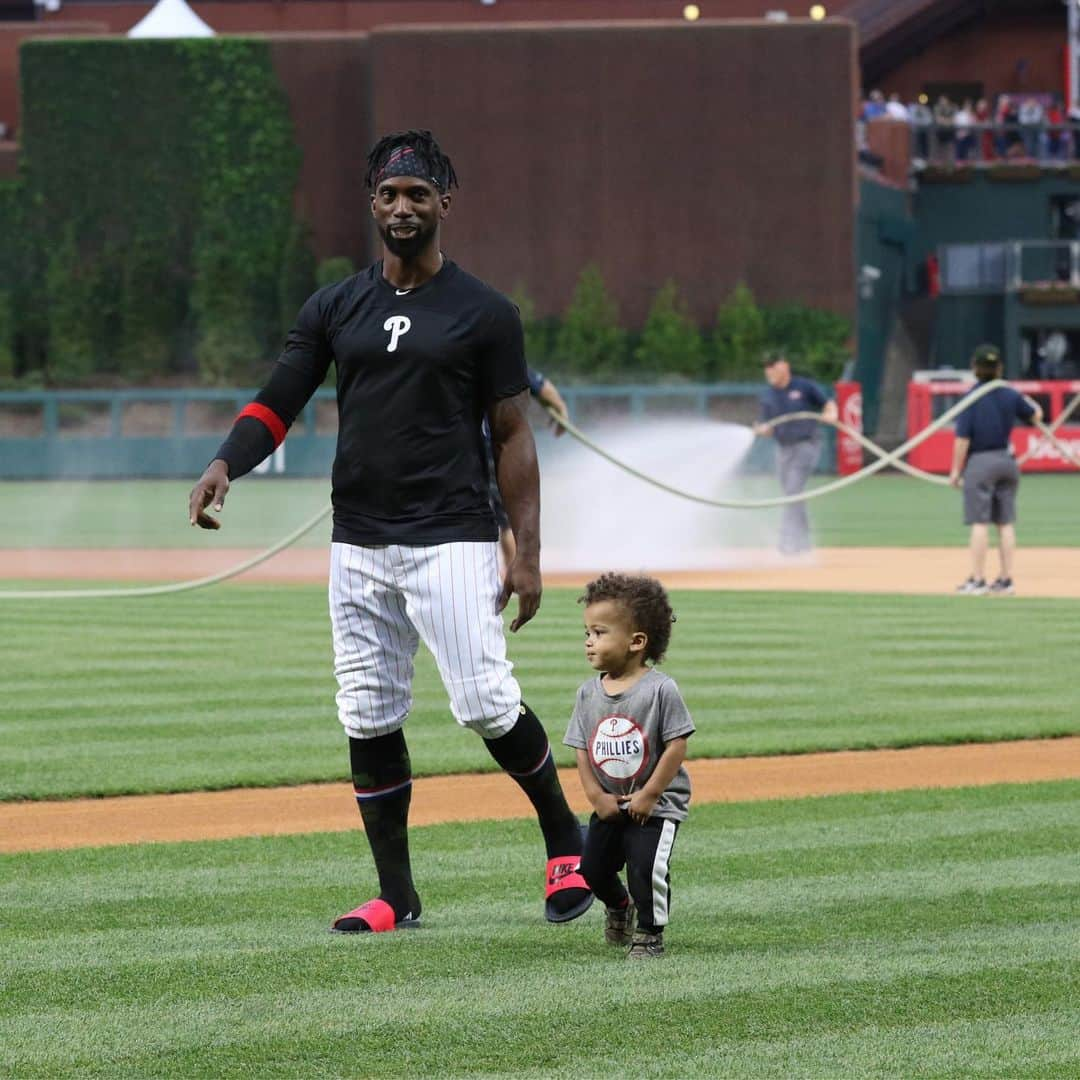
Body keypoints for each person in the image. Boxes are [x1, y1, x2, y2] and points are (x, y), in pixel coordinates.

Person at [187, 129, 592, 932]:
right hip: (358, 541)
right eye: (388, 195)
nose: (402, 207)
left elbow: (513, 435)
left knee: (483, 702)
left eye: (417, 195)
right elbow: (280, 399)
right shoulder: (335, 306)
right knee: (367, 712)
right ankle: (396, 894)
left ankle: (563, 839)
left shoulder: (484, 312)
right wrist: (225, 464)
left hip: (452, 534)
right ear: (372, 205)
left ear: (444, 204)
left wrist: (531, 555)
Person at [564, 573, 694, 960]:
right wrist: (595, 795)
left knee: (644, 868)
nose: (589, 641)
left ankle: (649, 933)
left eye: (600, 632)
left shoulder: (660, 690)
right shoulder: (588, 693)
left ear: (636, 642)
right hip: (610, 803)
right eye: (587, 632)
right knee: (592, 869)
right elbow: (582, 748)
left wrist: (651, 794)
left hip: (655, 805)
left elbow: (677, 744)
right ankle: (619, 906)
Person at [949, 343, 1042, 596]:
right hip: (1007, 460)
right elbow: (1036, 416)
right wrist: (1031, 403)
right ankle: (1005, 580)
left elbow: (962, 440)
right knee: (1005, 523)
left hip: (980, 462)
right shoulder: (1010, 394)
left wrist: (956, 470)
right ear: (999, 367)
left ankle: (978, 580)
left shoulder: (971, 397)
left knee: (979, 523)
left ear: (974, 368)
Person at [752, 351, 838, 556]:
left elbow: (827, 403)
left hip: (806, 445)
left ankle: (788, 541)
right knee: (793, 495)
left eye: (773, 365)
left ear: (785, 366)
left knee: (792, 490)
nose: (769, 371)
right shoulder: (768, 395)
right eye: (767, 367)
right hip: (783, 449)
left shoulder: (804, 386)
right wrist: (762, 430)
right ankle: (804, 542)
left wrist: (831, 414)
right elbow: (768, 426)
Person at [489, 367, 568, 572]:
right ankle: (514, 579)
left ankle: (512, 578)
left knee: (502, 520)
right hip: (496, 448)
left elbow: (535, 382)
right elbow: (539, 384)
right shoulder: (496, 355)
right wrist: (559, 407)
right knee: (504, 520)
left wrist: (557, 406)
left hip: (483, 450)